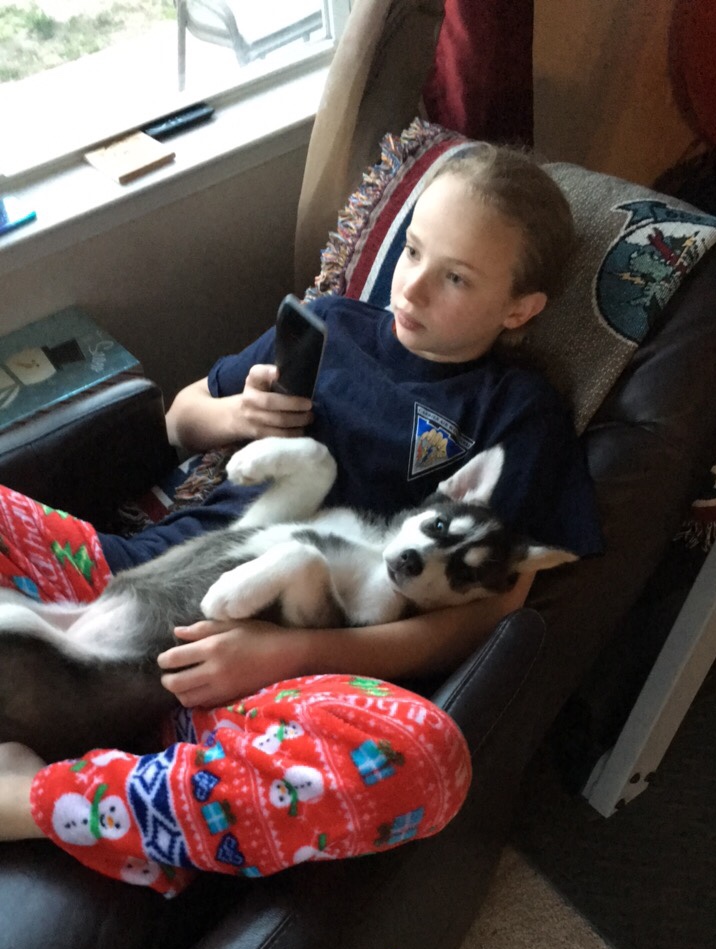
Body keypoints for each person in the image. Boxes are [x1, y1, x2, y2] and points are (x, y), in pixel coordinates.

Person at [0, 143, 603, 896]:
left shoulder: (518, 414)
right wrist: (234, 416)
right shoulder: (333, 323)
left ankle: (44, 801)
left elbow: (490, 611)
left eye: (455, 277)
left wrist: (289, 654)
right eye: (413, 249)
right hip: (120, 572)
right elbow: (179, 418)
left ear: (519, 309)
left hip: (252, 670)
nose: (411, 286)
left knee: (426, 758)